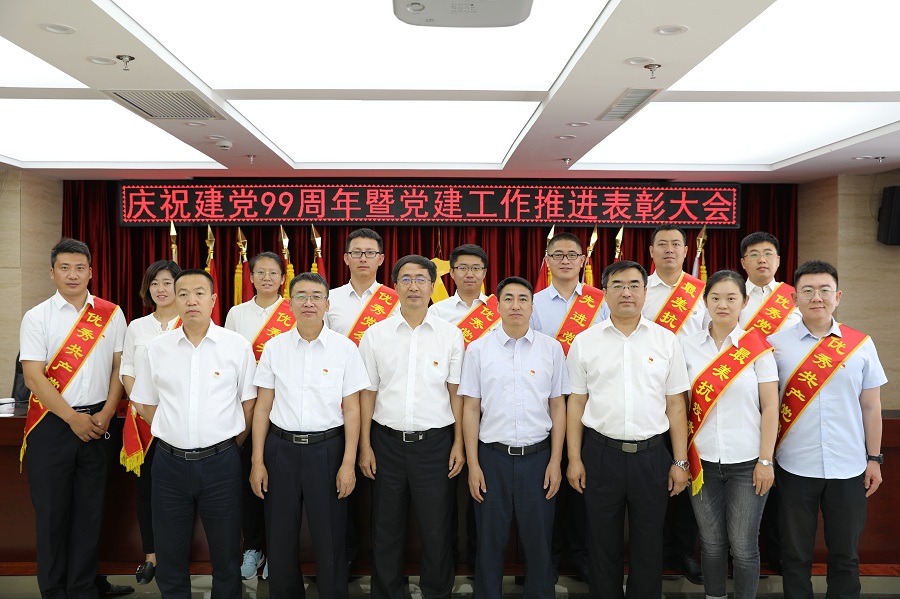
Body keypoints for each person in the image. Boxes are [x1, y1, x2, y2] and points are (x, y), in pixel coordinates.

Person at [566, 259, 690, 599]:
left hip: (651, 457)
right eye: (618, 285)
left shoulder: (666, 341)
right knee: (601, 544)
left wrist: (680, 461)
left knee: (649, 545)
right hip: (600, 455)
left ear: (645, 292)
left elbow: (676, 404)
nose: (626, 293)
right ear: (604, 292)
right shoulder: (585, 342)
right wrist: (574, 459)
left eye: (634, 285)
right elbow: (576, 403)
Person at [130, 269, 257, 599]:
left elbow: (248, 404)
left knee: (226, 553)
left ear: (213, 299)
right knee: (170, 554)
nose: (191, 300)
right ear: (175, 299)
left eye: (199, 293)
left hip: (221, 464)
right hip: (169, 464)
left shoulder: (236, 346)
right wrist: (173, 430)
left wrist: (229, 445)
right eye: (183, 293)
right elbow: (144, 402)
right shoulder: (158, 348)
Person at [768, 260, 886, 599]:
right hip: (794, 466)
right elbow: (765, 406)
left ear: (838, 296)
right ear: (794, 298)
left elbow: (871, 406)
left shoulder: (861, 344)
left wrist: (874, 459)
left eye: (824, 290)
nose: (816, 297)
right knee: (794, 557)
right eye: (807, 290)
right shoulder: (775, 345)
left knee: (846, 557)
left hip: (849, 467)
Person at [19, 238, 128, 599]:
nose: (73, 275)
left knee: (90, 513)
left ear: (91, 272)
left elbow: (119, 368)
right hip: (52, 426)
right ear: (52, 272)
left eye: (80, 268)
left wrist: (107, 412)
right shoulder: (37, 317)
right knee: (52, 515)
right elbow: (33, 377)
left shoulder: (111, 314)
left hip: (98, 423)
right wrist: (72, 418)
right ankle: (53, 590)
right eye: (64, 268)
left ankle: (82, 588)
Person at [250, 272, 370, 599]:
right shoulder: (275, 348)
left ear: (327, 305)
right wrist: (257, 461)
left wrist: (348, 463)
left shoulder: (344, 349)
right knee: (280, 537)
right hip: (280, 450)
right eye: (301, 296)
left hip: (327, 450)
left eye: (316, 296)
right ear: (289, 304)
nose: (309, 302)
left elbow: (353, 410)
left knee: (330, 537)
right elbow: (262, 407)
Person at [358, 255, 465, 599]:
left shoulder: (450, 335)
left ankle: (437, 593)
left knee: (436, 530)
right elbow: (367, 394)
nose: (414, 286)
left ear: (433, 286)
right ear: (394, 286)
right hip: (385, 443)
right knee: (385, 529)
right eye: (406, 279)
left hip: (436, 445)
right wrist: (364, 446)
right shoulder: (375, 335)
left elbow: (456, 394)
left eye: (421, 279)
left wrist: (459, 444)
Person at [459, 276, 568, 599]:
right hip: (491, 458)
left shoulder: (551, 349)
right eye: (508, 299)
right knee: (489, 542)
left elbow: (558, 406)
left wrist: (556, 461)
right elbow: (470, 408)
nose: (516, 305)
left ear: (533, 307)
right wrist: (473, 465)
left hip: (539, 459)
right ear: (497, 306)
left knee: (539, 542)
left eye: (523, 299)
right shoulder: (478, 350)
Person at [681, 270, 780, 599]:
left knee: (744, 546)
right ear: (705, 301)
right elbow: (678, 405)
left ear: (744, 302)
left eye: (731, 298)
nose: (723, 304)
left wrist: (765, 460)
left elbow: (770, 407)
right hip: (701, 462)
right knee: (711, 544)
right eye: (715, 298)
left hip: (748, 462)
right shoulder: (686, 347)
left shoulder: (758, 348)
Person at [529, 232, 604, 582]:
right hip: (543, 408)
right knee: (546, 486)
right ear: (546, 260)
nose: (564, 261)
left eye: (571, 255)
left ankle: (580, 555)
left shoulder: (601, 303)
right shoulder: (532, 303)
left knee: (580, 486)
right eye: (557, 254)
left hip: (588, 407)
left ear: (583, 261)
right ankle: (549, 557)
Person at [224, 251, 295, 580]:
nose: (267, 278)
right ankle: (253, 547)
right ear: (250, 277)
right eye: (260, 272)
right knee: (248, 485)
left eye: (273, 273)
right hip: (246, 410)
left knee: (280, 488)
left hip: (285, 411)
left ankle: (278, 552)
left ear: (283, 278)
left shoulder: (295, 309)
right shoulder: (237, 314)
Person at [644, 224, 706, 584]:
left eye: (676, 244)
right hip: (647, 401)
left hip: (693, 402)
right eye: (662, 244)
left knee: (688, 474)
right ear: (651, 251)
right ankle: (652, 549)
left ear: (686, 251)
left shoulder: (702, 293)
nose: (669, 249)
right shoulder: (636, 288)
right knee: (650, 479)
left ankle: (683, 550)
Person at [120, 259, 182, 586]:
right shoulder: (137, 327)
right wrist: (147, 411)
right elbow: (127, 370)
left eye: (167, 282)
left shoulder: (192, 322)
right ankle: (151, 555)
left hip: (182, 422)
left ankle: (178, 556)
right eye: (155, 283)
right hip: (144, 421)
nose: (161, 289)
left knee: (181, 492)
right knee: (148, 490)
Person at [326, 228, 397, 341]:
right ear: (346, 258)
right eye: (356, 253)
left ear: (381, 259)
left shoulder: (397, 301)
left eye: (370, 253)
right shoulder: (329, 299)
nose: (363, 259)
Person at [428, 243, 498, 344]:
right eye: (463, 268)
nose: (469, 274)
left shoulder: (499, 310)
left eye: (476, 268)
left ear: (484, 273)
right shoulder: (436, 312)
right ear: (452, 272)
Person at [739, 231, 802, 333]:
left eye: (768, 254)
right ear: (743, 263)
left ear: (778, 260)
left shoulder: (796, 296)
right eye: (754, 255)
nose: (762, 260)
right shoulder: (733, 296)